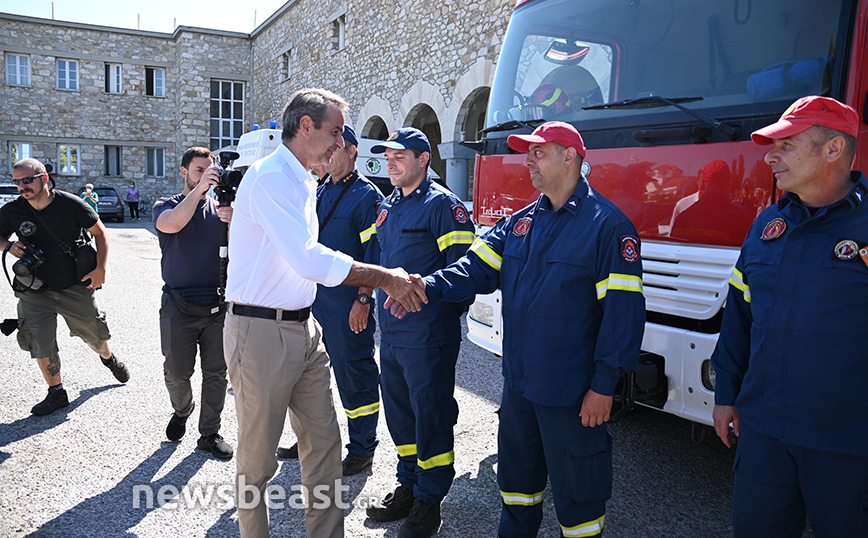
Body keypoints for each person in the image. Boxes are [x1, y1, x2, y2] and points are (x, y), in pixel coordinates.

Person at [389, 121, 646, 537]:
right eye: (527, 152)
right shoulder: (520, 224)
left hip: (572, 394)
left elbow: (624, 317)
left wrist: (604, 386)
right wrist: (422, 285)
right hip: (521, 390)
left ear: (570, 157)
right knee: (516, 490)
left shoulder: (608, 228)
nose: (528, 160)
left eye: (538, 152)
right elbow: (471, 270)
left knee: (579, 503)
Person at [222, 88, 427, 538]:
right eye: (335, 132)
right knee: (257, 462)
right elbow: (310, 259)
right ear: (306, 126)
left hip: (302, 329)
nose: (342, 143)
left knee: (324, 448)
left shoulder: (303, 180)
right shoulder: (273, 177)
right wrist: (386, 279)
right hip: (258, 332)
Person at [711, 96, 868, 538]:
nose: (770, 156)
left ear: (833, 149)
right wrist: (727, 394)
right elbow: (738, 319)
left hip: (848, 445)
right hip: (764, 436)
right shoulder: (766, 227)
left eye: (786, 144)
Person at [363, 127, 476, 538]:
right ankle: (408, 485)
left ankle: (430, 500)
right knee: (401, 416)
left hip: (428, 337)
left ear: (424, 159)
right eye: (387, 157)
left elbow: (463, 274)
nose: (390, 163)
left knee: (430, 417)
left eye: (400, 157)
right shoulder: (388, 206)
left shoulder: (443, 205)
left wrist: (430, 309)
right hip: (391, 335)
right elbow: (377, 260)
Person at [277, 126, 385, 476]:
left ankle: (362, 448)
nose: (329, 154)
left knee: (355, 375)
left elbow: (374, 253)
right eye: (327, 148)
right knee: (307, 376)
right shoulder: (319, 190)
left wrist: (364, 299)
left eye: (336, 148)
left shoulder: (367, 197)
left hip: (345, 304)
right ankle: (308, 438)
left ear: (353, 152)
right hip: (311, 301)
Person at [0, 159, 128, 416]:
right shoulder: (12, 211)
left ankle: (108, 357)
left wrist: (100, 269)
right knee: (40, 341)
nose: (22, 186)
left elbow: (101, 233)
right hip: (35, 288)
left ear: (44, 179)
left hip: (75, 286)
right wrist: (9, 246)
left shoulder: (71, 204)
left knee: (94, 335)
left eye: (27, 180)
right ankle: (57, 393)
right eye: (17, 182)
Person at [152, 147, 233, 460]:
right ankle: (182, 409)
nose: (207, 176)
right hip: (178, 306)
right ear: (184, 172)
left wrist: (235, 219)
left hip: (217, 305)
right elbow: (171, 224)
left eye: (209, 171)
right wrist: (200, 192)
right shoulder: (166, 204)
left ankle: (209, 433)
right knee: (176, 373)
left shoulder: (222, 209)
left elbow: (248, 246)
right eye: (199, 170)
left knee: (216, 374)